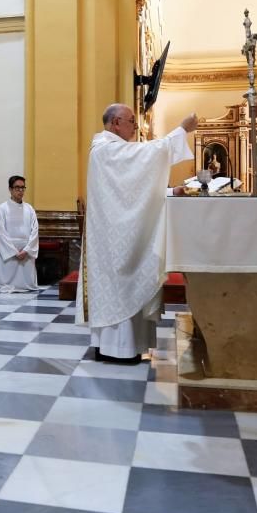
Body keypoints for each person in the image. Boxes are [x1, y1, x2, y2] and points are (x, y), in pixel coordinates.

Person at [76, 104, 197, 364]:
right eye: (132, 120)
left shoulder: (111, 149)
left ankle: (125, 347)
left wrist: (169, 192)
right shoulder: (105, 150)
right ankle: (115, 349)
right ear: (116, 122)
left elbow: (137, 192)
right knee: (120, 287)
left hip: (115, 235)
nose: (135, 126)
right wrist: (181, 130)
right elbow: (142, 161)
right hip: (111, 242)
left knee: (126, 288)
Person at [0, 175, 39, 292]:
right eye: (17, 188)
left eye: (23, 188)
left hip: (25, 252)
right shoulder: (2, 209)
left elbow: (35, 231)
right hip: (9, 252)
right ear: (10, 189)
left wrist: (26, 250)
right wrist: (14, 252)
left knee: (27, 285)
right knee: (4, 283)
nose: (21, 191)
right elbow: (0, 232)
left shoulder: (29, 209)